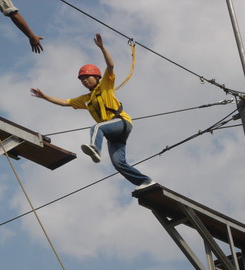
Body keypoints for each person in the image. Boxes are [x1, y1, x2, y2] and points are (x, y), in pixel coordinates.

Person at [31, 34, 155, 190]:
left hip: (121, 123)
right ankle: (145, 181)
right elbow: (65, 102)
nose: (84, 81)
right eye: (82, 79)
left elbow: (110, 66)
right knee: (118, 163)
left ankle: (95, 149)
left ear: (96, 77)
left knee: (97, 127)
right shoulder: (86, 98)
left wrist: (102, 47)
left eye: (87, 77)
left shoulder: (105, 85)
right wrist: (44, 97)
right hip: (112, 134)